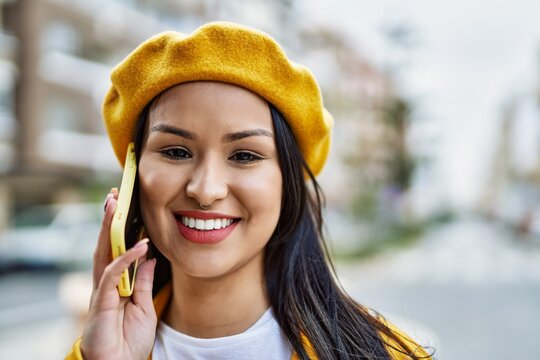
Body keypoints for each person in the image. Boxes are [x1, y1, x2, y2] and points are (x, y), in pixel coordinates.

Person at [66, 21, 433, 360]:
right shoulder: (100, 350)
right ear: (133, 175)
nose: (205, 190)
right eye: (176, 152)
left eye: (244, 155)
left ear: (287, 182)